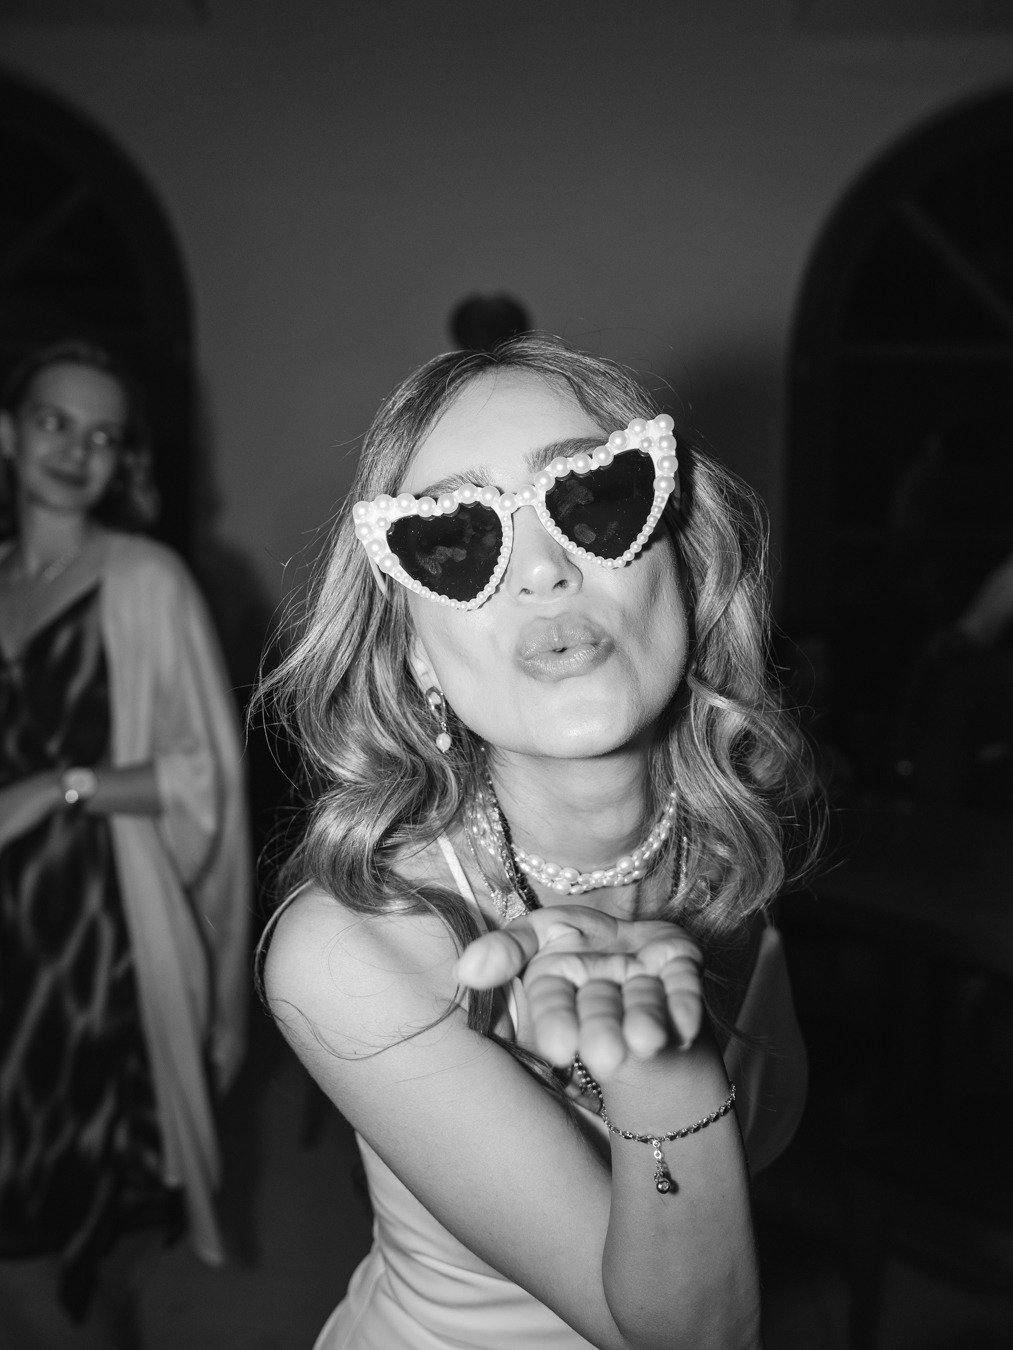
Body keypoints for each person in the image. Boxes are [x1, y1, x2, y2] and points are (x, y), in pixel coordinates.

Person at [259, 334, 820, 1350]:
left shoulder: (725, 836)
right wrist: (659, 1067)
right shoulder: (352, 951)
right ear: (414, 653)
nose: (544, 574)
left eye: (595, 499)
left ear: (684, 571)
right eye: (455, 540)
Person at [0, 339, 251, 1346]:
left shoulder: (146, 579)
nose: (77, 450)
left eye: (102, 436)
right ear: (8, 433)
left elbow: (208, 777)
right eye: (56, 422)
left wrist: (60, 789)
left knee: (58, 1217)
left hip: (90, 942)